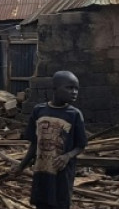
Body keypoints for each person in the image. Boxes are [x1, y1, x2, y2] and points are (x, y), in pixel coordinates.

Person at [12, 70, 87, 209]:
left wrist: (67, 156)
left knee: (60, 203)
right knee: (42, 203)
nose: (74, 92)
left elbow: (81, 145)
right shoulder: (39, 111)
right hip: (42, 170)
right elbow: (35, 144)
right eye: (69, 87)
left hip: (62, 174)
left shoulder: (75, 115)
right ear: (55, 88)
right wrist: (21, 166)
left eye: (76, 88)